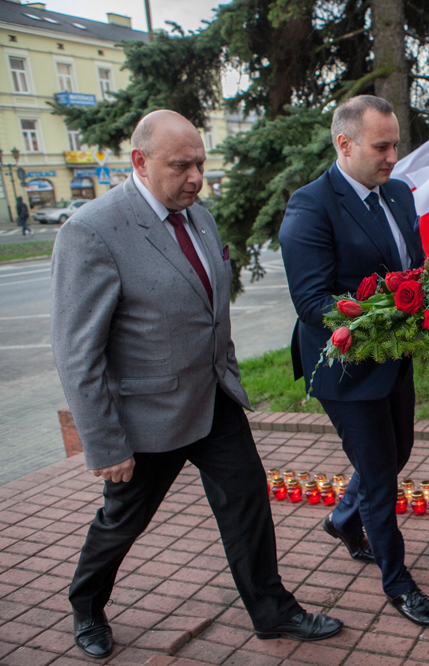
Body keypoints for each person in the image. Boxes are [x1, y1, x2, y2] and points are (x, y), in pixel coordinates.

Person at [50, 110, 342, 660]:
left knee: (247, 501)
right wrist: (104, 443)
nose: (195, 178)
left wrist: (227, 372)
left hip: (213, 400)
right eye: (181, 166)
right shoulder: (91, 231)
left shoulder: (199, 218)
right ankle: (86, 605)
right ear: (140, 161)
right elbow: (76, 351)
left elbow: (211, 312)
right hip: (147, 417)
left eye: (201, 164)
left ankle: (272, 612)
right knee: (122, 521)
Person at [279, 96, 429, 628]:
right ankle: (398, 584)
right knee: (380, 476)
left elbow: (410, 267)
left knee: (398, 453)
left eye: (395, 144)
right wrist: (388, 318)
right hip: (345, 368)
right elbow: (312, 303)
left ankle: (343, 520)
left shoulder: (397, 193)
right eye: (382, 146)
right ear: (345, 144)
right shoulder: (310, 206)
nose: (393, 156)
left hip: (395, 358)